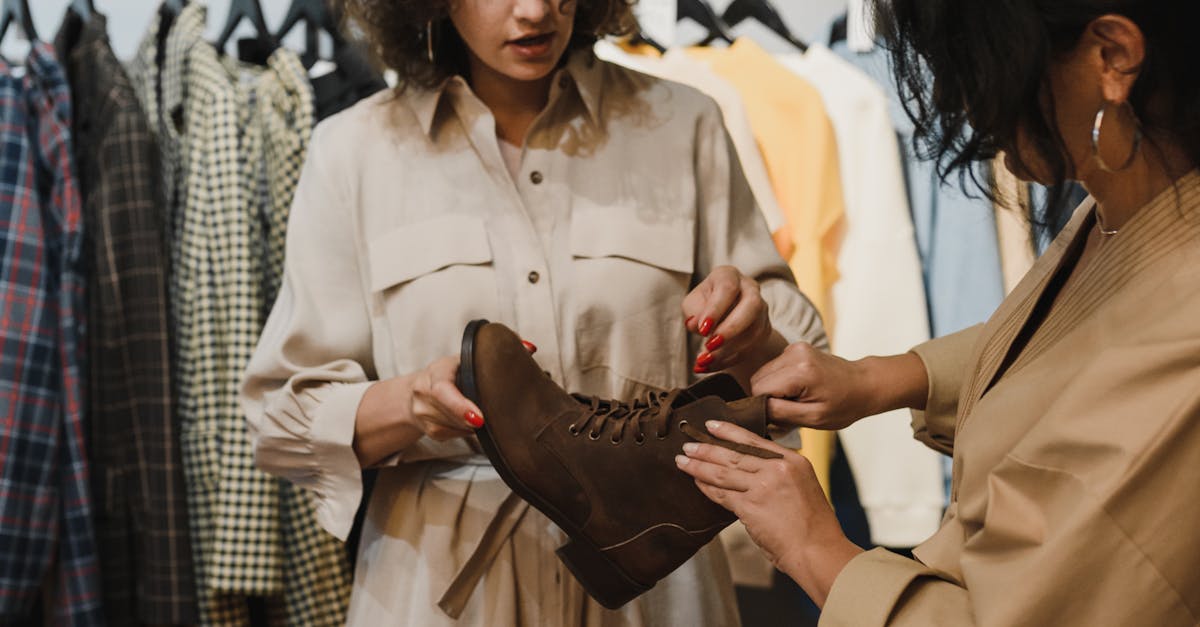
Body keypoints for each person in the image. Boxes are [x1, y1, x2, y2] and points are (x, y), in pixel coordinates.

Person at [240, 0, 825, 624]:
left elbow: (800, 363)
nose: (535, 11)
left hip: (652, 580)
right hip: (438, 585)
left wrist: (753, 331)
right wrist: (414, 403)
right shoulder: (354, 151)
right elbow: (281, 414)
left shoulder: (683, 125)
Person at [678, 1, 1200, 624]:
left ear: (1111, 57)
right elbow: (1070, 346)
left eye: (978, 66)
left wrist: (815, 547)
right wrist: (878, 379)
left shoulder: (1178, 328)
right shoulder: (1121, 211)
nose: (959, 102)